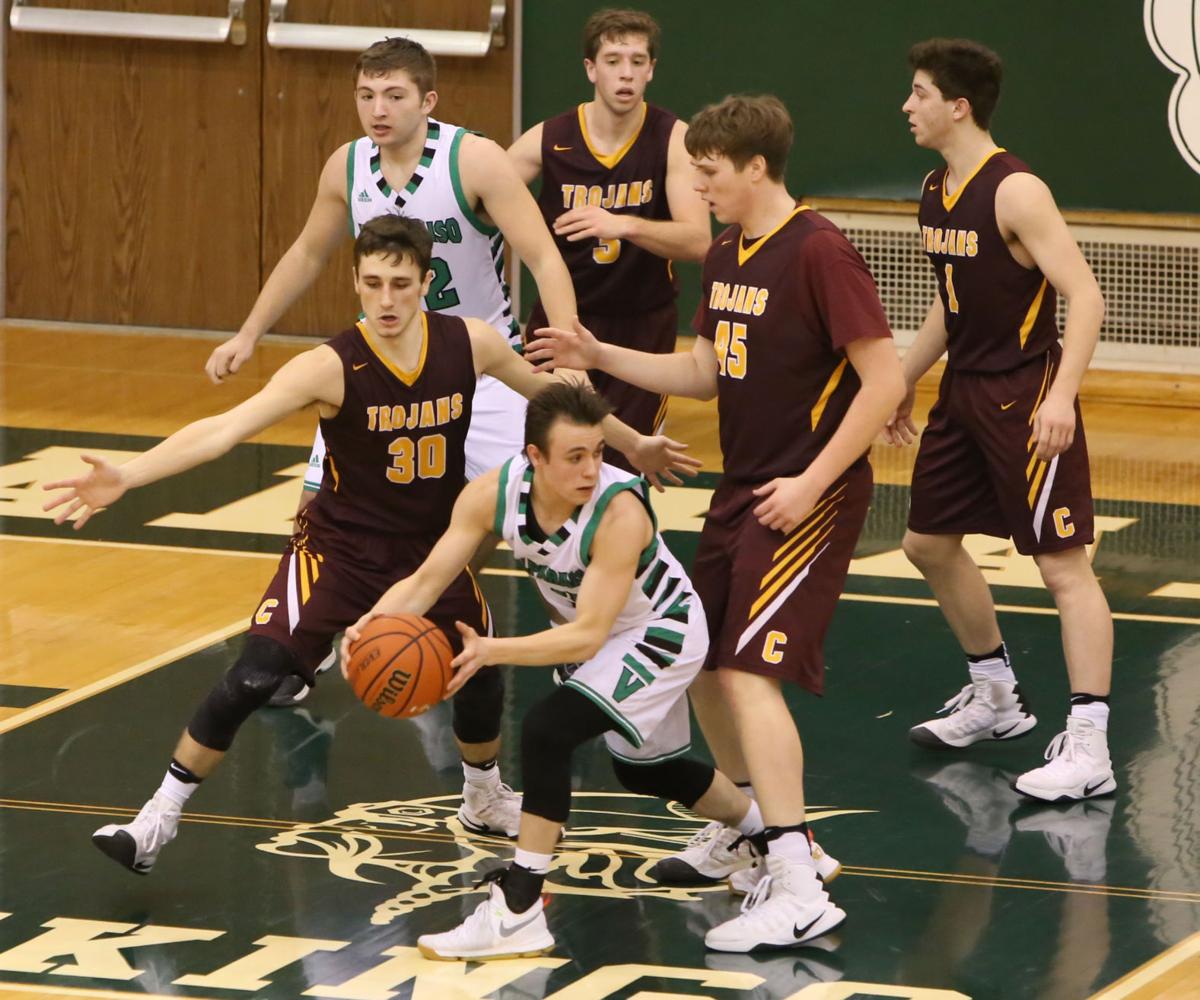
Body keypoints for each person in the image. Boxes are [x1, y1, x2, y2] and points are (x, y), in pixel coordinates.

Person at [43, 217, 694, 876]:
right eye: (373, 283)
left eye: (401, 284)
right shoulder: (328, 366)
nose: (386, 300)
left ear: (424, 285)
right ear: (355, 281)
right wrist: (128, 474)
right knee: (254, 677)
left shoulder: (470, 343)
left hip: (427, 548)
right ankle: (156, 819)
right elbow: (225, 430)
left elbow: (556, 400)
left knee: (477, 671)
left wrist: (630, 441)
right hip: (336, 551)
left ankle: (483, 795)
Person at [528, 95, 905, 951]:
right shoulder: (731, 249)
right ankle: (747, 829)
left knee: (746, 675)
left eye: (709, 173)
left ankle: (800, 879)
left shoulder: (820, 251)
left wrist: (812, 481)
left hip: (807, 492)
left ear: (757, 168)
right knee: (699, 651)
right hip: (745, 487)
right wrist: (597, 356)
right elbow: (704, 369)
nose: (696, 189)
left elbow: (881, 382)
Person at [205, 36, 579, 703]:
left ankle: (549, 642)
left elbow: (544, 258)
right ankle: (307, 647)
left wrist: (567, 342)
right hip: (380, 362)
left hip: (479, 363)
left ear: (428, 100)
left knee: (508, 518)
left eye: (395, 95)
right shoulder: (346, 166)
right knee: (317, 503)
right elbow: (307, 253)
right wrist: (249, 331)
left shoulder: (475, 160)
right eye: (367, 95)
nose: (378, 109)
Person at [342, 381, 761, 960]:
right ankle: (767, 833)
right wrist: (367, 627)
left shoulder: (620, 510)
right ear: (533, 457)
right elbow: (424, 582)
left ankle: (519, 909)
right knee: (649, 774)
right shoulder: (492, 495)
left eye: (596, 452)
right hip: (596, 636)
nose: (591, 469)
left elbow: (590, 631)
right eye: (574, 456)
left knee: (547, 730)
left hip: (658, 628)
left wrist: (490, 650)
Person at [887, 38, 1114, 803]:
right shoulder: (934, 188)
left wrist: (1060, 399)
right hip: (964, 391)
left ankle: (1089, 744)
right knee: (926, 542)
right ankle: (996, 698)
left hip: (1025, 391)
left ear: (959, 105)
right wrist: (901, 380)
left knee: (1061, 566)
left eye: (919, 93)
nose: (906, 106)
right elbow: (952, 307)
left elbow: (1085, 297)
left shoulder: (1016, 190)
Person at [508, 8, 711, 466]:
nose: (626, 73)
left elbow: (699, 242)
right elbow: (482, 192)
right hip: (563, 319)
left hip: (641, 324)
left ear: (652, 70)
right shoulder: (551, 138)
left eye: (638, 61)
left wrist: (626, 223)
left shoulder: (673, 138)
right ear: (590, 69)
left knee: (624, 462)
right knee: (554, 454)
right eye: (614, 59)